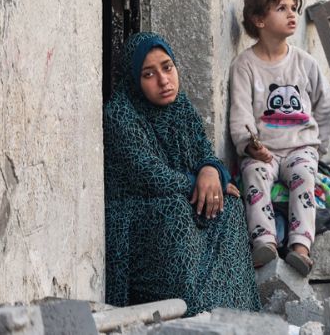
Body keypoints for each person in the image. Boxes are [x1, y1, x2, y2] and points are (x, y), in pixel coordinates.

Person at [103, 32, 260, 315]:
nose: (163, 80)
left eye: (167, 67)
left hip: (179, 196)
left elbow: (204, 152)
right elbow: (150, 176)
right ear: (134, 79)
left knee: (231, 206)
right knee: (178, 211)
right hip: (137, 212)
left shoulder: (181, 107)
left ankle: (235, 310)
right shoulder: (120, 115)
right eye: (149, 74)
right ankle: (191, 311)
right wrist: (198, 183)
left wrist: (212, 172)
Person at [228, 0, 330, 276]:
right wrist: (249, 145)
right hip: (265, 153)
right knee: (253, 174)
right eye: (281, 8)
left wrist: (317, 148)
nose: (292, 14)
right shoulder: (244, 65)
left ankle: (301, 246)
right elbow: (240, 113)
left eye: (293, 8)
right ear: (259, 20)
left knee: (303, 175)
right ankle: (264, 242)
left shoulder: (305, 62)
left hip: (300, 148)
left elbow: (326, 107)